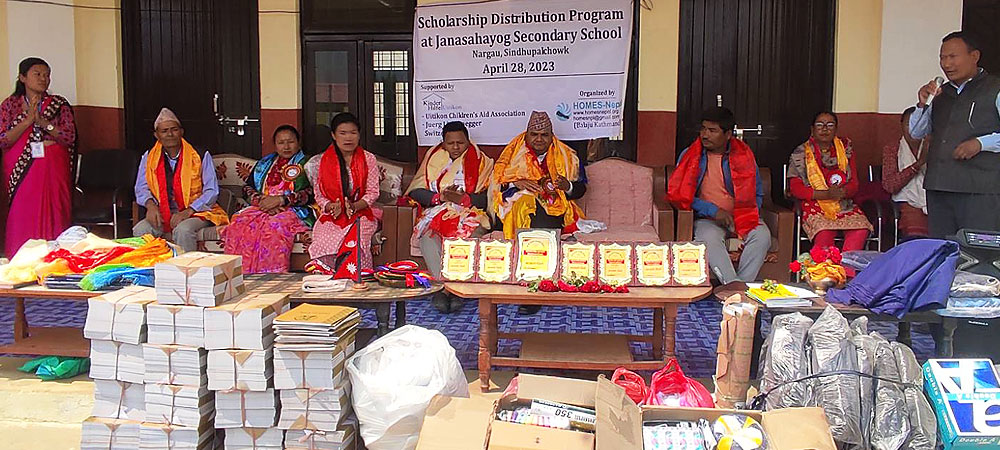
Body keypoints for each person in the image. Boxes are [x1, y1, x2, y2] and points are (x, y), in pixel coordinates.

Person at [909, 31, 1000, 238]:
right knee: (943, 249)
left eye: (952, 57)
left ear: (974, 56)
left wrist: (981, 143)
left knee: (977, 253)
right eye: (942, 57)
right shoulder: (940, 93)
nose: (946, 64)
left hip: (980, 189)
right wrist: (923, 104)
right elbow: (916, 132)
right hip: (940, 186)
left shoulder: (994, 88)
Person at [668, 107, 770, 285]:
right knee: (709, 238)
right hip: (707, 218)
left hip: (742, 216)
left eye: (712, 130)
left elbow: (757, 193)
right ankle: (733, 286)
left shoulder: (745, 156)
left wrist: (743, 216)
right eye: (703, 129)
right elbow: (681, 194)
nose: (705, 135)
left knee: (762, 236)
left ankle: (742, 287)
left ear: (728, 134)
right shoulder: (690, 156)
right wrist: (713, 211)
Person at [404, 121, 494, 313]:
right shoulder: (433, 158)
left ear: (468, 141)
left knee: (466, 237)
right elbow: (415, 191)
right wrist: (439, 197)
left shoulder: (483, 162)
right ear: (443, 143)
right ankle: (445, 288)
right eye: (450, 143)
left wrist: (465, 199)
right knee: (427, 239)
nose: (455, 147)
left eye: (460, 143)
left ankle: (453, 291)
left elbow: (490, 198)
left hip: (469, 213)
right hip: (438, 211)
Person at [0, 57, 76, 256]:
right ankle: (20, 257)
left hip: (52, 169)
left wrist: (44, 123)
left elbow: (69, 138)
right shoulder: (10, 105)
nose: (44, 79)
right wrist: (28, 121)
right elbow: (3, 140)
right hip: (21, 172)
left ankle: (56, 257)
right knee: (23, 213)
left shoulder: (59, 104)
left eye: (47, 75)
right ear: (22, 77)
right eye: (38, 74)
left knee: (55, 214)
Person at [222, 125, 317, 273]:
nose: (286, 146)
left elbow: (313, 192)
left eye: (290, 142)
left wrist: (282, 200)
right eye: (281, 142)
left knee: (274, 226)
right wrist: (261, 202)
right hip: (263, 207)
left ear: (298, 143)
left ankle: (272, 275)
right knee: (238, 223)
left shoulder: (308, 163)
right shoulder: (265, 163)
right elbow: (247, 188)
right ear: (275, 145)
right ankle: (241, 274)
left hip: (295, 209)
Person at [133, 107, 229, 252]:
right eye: (164, 131)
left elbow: (211, 191)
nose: (170, 134)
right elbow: (141, 187)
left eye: (174, 129)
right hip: (163, 212)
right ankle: (150, 272)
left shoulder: (200, 155)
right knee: (141, 229)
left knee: (183, 230)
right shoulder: (149, 157)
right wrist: (150, 206)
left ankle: (186, 272)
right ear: (156, 135)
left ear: (181, 132)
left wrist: (188, 211)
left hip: (198, 212)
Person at [491, 111, 587, 239]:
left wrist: (567, 186)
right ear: (526, 136)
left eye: (544, 135)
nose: (539, 139)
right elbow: (495, 183)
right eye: (534, 135)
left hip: (556, 211)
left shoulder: (568, 156)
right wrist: (515, 183)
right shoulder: (512, 154)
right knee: (524, 202)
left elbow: (581, 189)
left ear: (552, 136)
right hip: (515, 208)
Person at [306, 112, 381, 277]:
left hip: (361, 213)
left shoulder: (369, 159)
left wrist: (353, 207)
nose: (349, 138)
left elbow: (373, 193)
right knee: (324, 241)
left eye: (353, 133)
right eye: (343, 133)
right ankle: (328, 281)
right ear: (333, 135)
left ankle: (356, 281)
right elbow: (320, 196)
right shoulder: (321, 162)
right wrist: (332, 206)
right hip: (333, 215)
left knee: (355, 242)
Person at [787, 111, 872, 252]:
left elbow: (854, 184)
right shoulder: (800, 153)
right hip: (813, 203)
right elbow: (796, 188)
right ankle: (825, 271)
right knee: (825, 232)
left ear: (836, 129)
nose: (825, 129)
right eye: (820, 125)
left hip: (842, 202)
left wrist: (843, 192)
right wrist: (825, 195)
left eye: (830, 125)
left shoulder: (845, 150)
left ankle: (846, 271)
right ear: (812, 129)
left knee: (861, 229)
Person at [882, 107, 929, 239]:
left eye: (918, 124)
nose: (913, 129)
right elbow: (890, 185)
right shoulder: (893, 149)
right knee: (917, 237)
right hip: (907, 201)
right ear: (901, 125)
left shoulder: (933, 147)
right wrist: (918, 164)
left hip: (933, 200)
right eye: (909, 124)